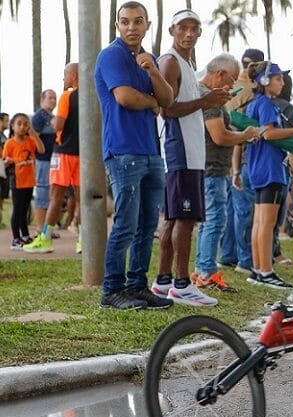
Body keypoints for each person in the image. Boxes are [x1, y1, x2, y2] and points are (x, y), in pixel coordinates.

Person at [95, 1, 174, 310]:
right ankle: (111, 291)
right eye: (125, 21)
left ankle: (137, 286)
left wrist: (153, 72)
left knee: (146, 225)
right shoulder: (111, 55)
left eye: (138, 21)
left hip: (151, 152)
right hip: (123, 150)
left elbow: (167, 99)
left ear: (147, 25)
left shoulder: (148, 59)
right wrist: (151, 102)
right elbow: (125, 98)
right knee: (126, 224)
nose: (131, 27)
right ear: (117, 25)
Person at [149, 9, 230, 307]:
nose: (190, 33)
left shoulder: (185, 62)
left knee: (174, 218)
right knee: (184, 218)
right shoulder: (170, 61)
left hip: (187, 151)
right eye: (183, 27)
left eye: (195, 28)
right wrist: (205, 101)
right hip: (179, 149)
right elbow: (168, 109)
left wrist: (207, 100)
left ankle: (163, 281)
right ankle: (182, 284)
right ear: (172, 30)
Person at [192, 54, 261, 292]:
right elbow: (219, 136)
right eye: (231, 80)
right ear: (220, 74)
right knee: (215, 220)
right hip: (211, 169)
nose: (232, 86)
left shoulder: (204, 94)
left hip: (208, 167)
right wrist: (245, 135)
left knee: (209, 221)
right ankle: (207, 272)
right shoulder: (210, 98)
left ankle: (202, 269)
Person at [245, 61, 293, 289]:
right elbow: (269, 134)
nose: (282, 83)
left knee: (260, 222)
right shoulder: (266, 104)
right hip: (271, 169)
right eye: (278, 79)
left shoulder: (254, 103)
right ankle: (266, 271)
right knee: (267, 224)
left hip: (258, 168)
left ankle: (258, 270)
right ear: (265, 81)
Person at [24, 63, 82, 254]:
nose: (64, 78)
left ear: (74, 76)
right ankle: (84, 240)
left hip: (63, 152)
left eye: (65, 74)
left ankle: (45, 238)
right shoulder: (91, 96)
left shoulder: (67, 96)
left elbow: (58, 126)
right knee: (82, 198)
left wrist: (55, 119)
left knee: (55, 197)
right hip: (83, 153)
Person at [219, 48, 264, 274]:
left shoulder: (234, 86)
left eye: (250, 65)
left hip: (228, 154)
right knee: (242, 211)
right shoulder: (248, 89)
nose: (247, 69)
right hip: (238, 154)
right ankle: (243, 260)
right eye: (246, 64)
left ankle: (229, 255)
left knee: (231, 209)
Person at [2, 113, 44, 249]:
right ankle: (16, 239)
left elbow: (42, 150)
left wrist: (33, 133)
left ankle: (25, 235)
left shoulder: (30, 141)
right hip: (17, 180)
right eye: (19, 124)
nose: (22, 127)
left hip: (29, 180)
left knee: (25, 209)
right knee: (17, 208)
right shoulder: (10, 143)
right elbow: (5, 161)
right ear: (12, 127)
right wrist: (8, 161)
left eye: (26, 124)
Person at [270, 73, 293, 267]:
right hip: (278, 167)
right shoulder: (287, 108)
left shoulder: (258, 104)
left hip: (254, 165)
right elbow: (292, 145)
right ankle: (274, 254)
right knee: (274, 217)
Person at [31, 89, 57, 234]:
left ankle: (47, 228)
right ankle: (40, 228)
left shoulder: (51, 116)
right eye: (50, 98)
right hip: (42, 160)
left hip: (52, 160)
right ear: (42, 100)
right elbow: (33, 139)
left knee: (49, 194)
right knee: (42, 191)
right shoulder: (39, 117)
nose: (53, 101)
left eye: (54, 98)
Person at [0, 113, 9, 228]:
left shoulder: (3, 136)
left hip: (3, 166)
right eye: (6, 120)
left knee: (2, 193)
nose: (8, 123)